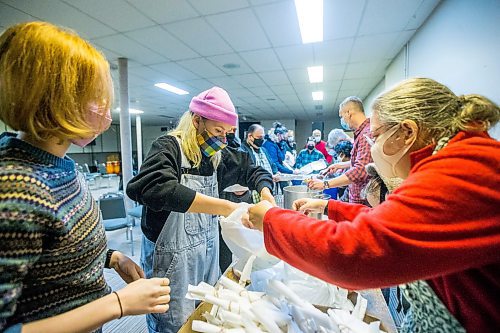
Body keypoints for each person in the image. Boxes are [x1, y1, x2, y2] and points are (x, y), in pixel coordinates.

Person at [247, 78, 500, 333]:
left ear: (408, 133)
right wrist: (329, 208)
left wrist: (272, 219)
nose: (374, 147)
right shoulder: (459, 158)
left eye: (377, 136)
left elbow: (351, 253)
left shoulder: (460, 171)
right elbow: (392, 220)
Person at [0, 22, 170, 333]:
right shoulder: (16, 190)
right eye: (94, 97)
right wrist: (118, 304)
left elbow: (53, 250)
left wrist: (112, 257)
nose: (105, 110)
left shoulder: (61, 166)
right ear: (55, 99)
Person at [126, 86, 274, 333]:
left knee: (204, 318)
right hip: (172, 265)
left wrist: (265, 192)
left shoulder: (216, 156)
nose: (223, 140)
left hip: (206, 259)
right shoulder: (169, 147)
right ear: (197, 121)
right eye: (218, 131)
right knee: (173, 325)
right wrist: (226, 207)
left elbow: (253, 170)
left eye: (227, 133)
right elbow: (152, 186)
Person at [309, 97, 373, 204]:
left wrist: (325, 184)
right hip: (356, 198)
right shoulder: (360, 133)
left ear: (348, 113)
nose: (342, 120)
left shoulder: (366, 134)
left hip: (363, 201)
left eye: (341, 116)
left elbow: (360, 170)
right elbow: (362, 162)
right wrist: (339, 165)